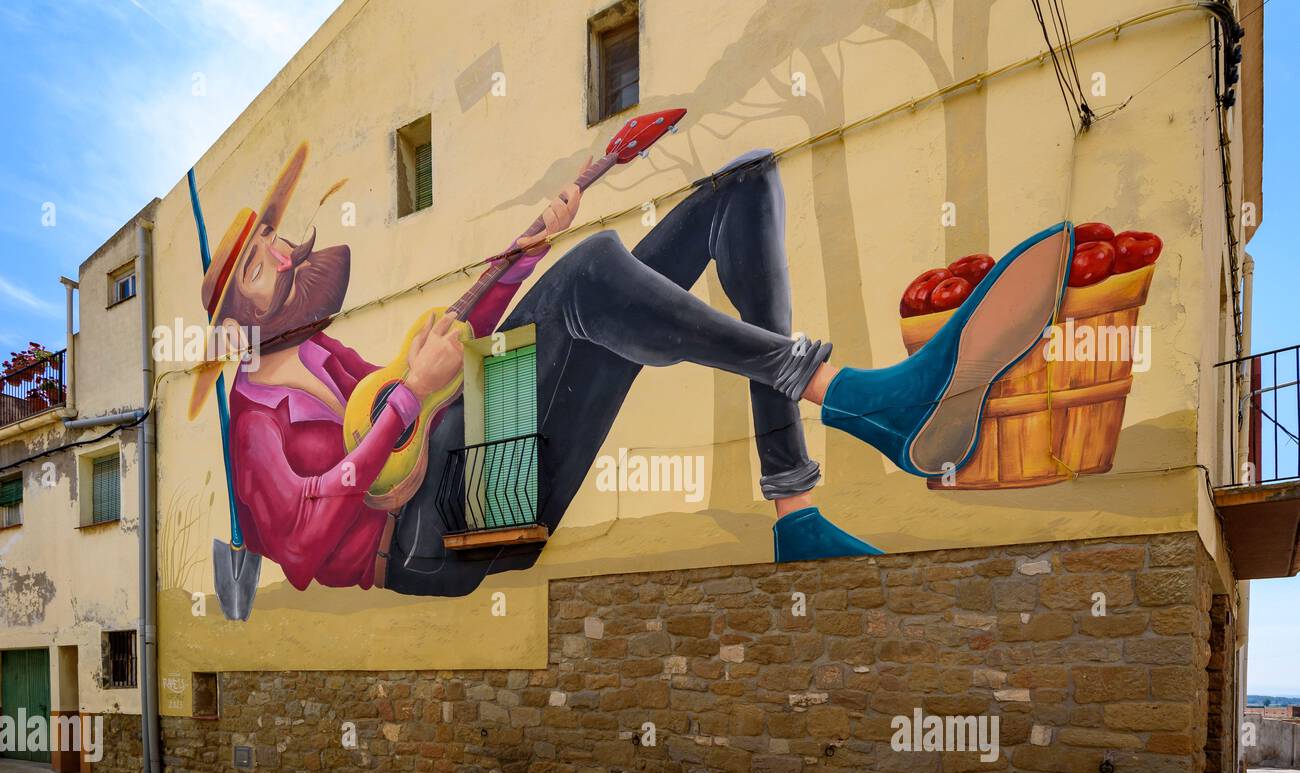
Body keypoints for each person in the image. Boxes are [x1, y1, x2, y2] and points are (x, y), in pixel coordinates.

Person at [190, 142, 1071, 597]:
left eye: (274, 241)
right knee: (591, 274)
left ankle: (794, 509)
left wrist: (520, 253)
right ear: (240, 318)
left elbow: (451, 361)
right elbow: (307, 534)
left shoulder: (320, 354)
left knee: (741, 187)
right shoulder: (252, 423)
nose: (287, 253)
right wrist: (410, 398)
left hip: (474, 477)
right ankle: (847, 394)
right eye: (267, 265)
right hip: (434, 540)